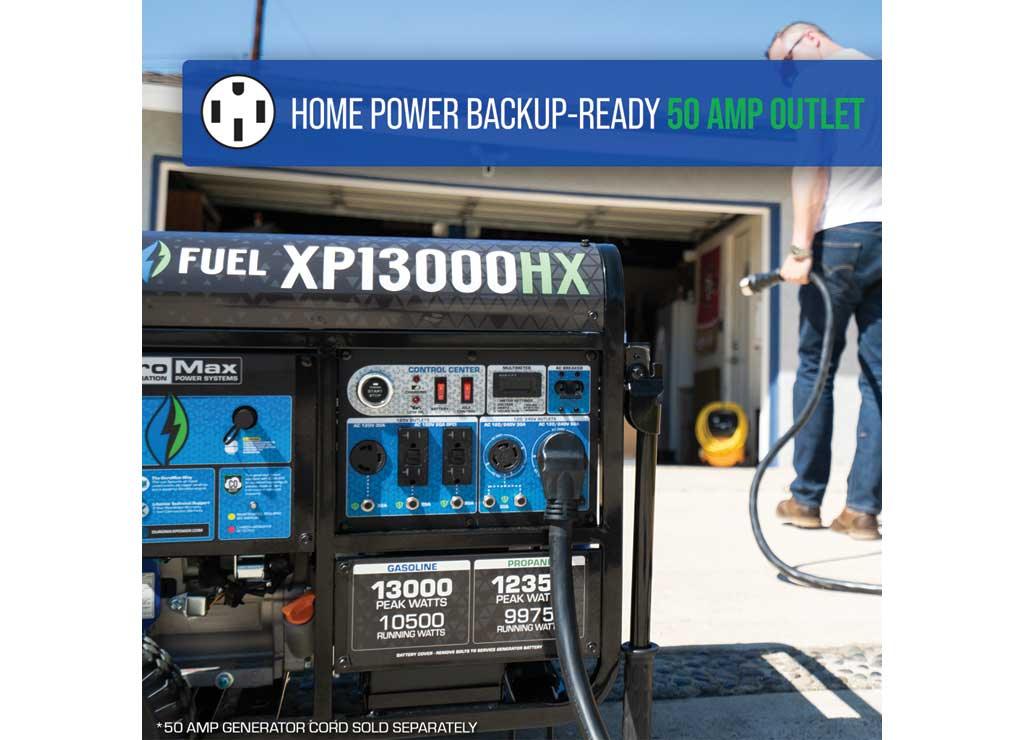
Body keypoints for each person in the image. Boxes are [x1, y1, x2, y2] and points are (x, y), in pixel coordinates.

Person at [766, 22, 882, 540]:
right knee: (881, 376)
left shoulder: (825, 81)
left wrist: (798, 250)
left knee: (815, 368)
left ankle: (806, 499)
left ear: (809, 39)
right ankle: (862, 511)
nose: (789, 78)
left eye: (787, 65)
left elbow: (812, 167)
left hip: (843, 236)